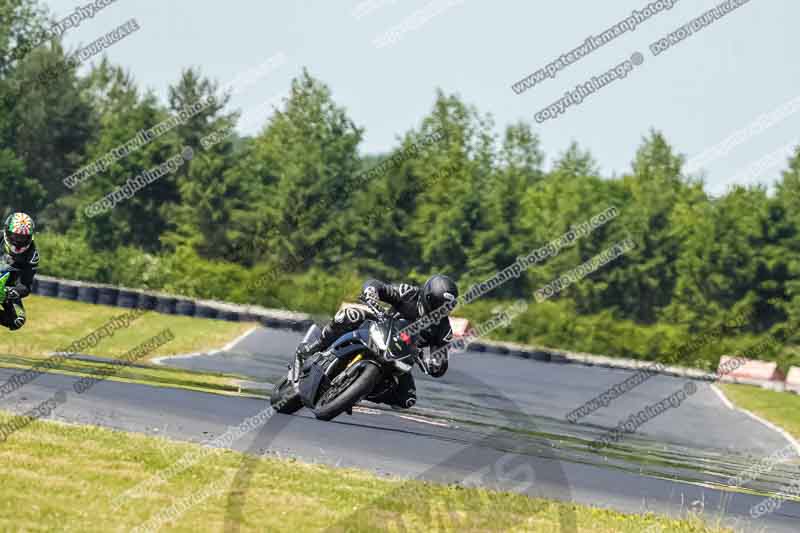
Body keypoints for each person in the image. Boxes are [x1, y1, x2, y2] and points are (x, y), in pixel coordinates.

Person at [294, 274, 458, 409]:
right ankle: (314, 347)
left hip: (400, 356)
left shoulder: (444, 329)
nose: (441, 309)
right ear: (427, 296)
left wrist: (434, 363)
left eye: (446, 307)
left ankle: (357, 392)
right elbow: (377, 285)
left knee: (407, 399)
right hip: (378, 328)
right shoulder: (408, 293)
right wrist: (371, 292)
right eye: (438, 304)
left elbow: (441, 361)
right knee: (349, 315)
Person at [0, 213, 39, 331]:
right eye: (16, 236)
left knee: (18, 320)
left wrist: (11, 292)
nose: (18, 241)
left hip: (7, 288)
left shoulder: (32, 255)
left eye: (23, 238)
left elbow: (25, 286)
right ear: (7, 232)